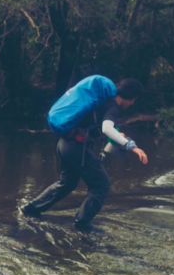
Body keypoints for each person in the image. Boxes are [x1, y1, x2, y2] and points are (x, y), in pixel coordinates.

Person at [21, 78, 148, 232]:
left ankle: (31, 209)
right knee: (101, 185)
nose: (133, 103)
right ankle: (82, 223)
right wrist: (132, 146)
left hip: (64, 144)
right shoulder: (112, 105)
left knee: (68, 182)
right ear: (128, 95)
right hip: (75, 149)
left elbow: (99, 127)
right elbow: (107, 128)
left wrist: (117, 134)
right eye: (133, 99)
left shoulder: (102, 102)